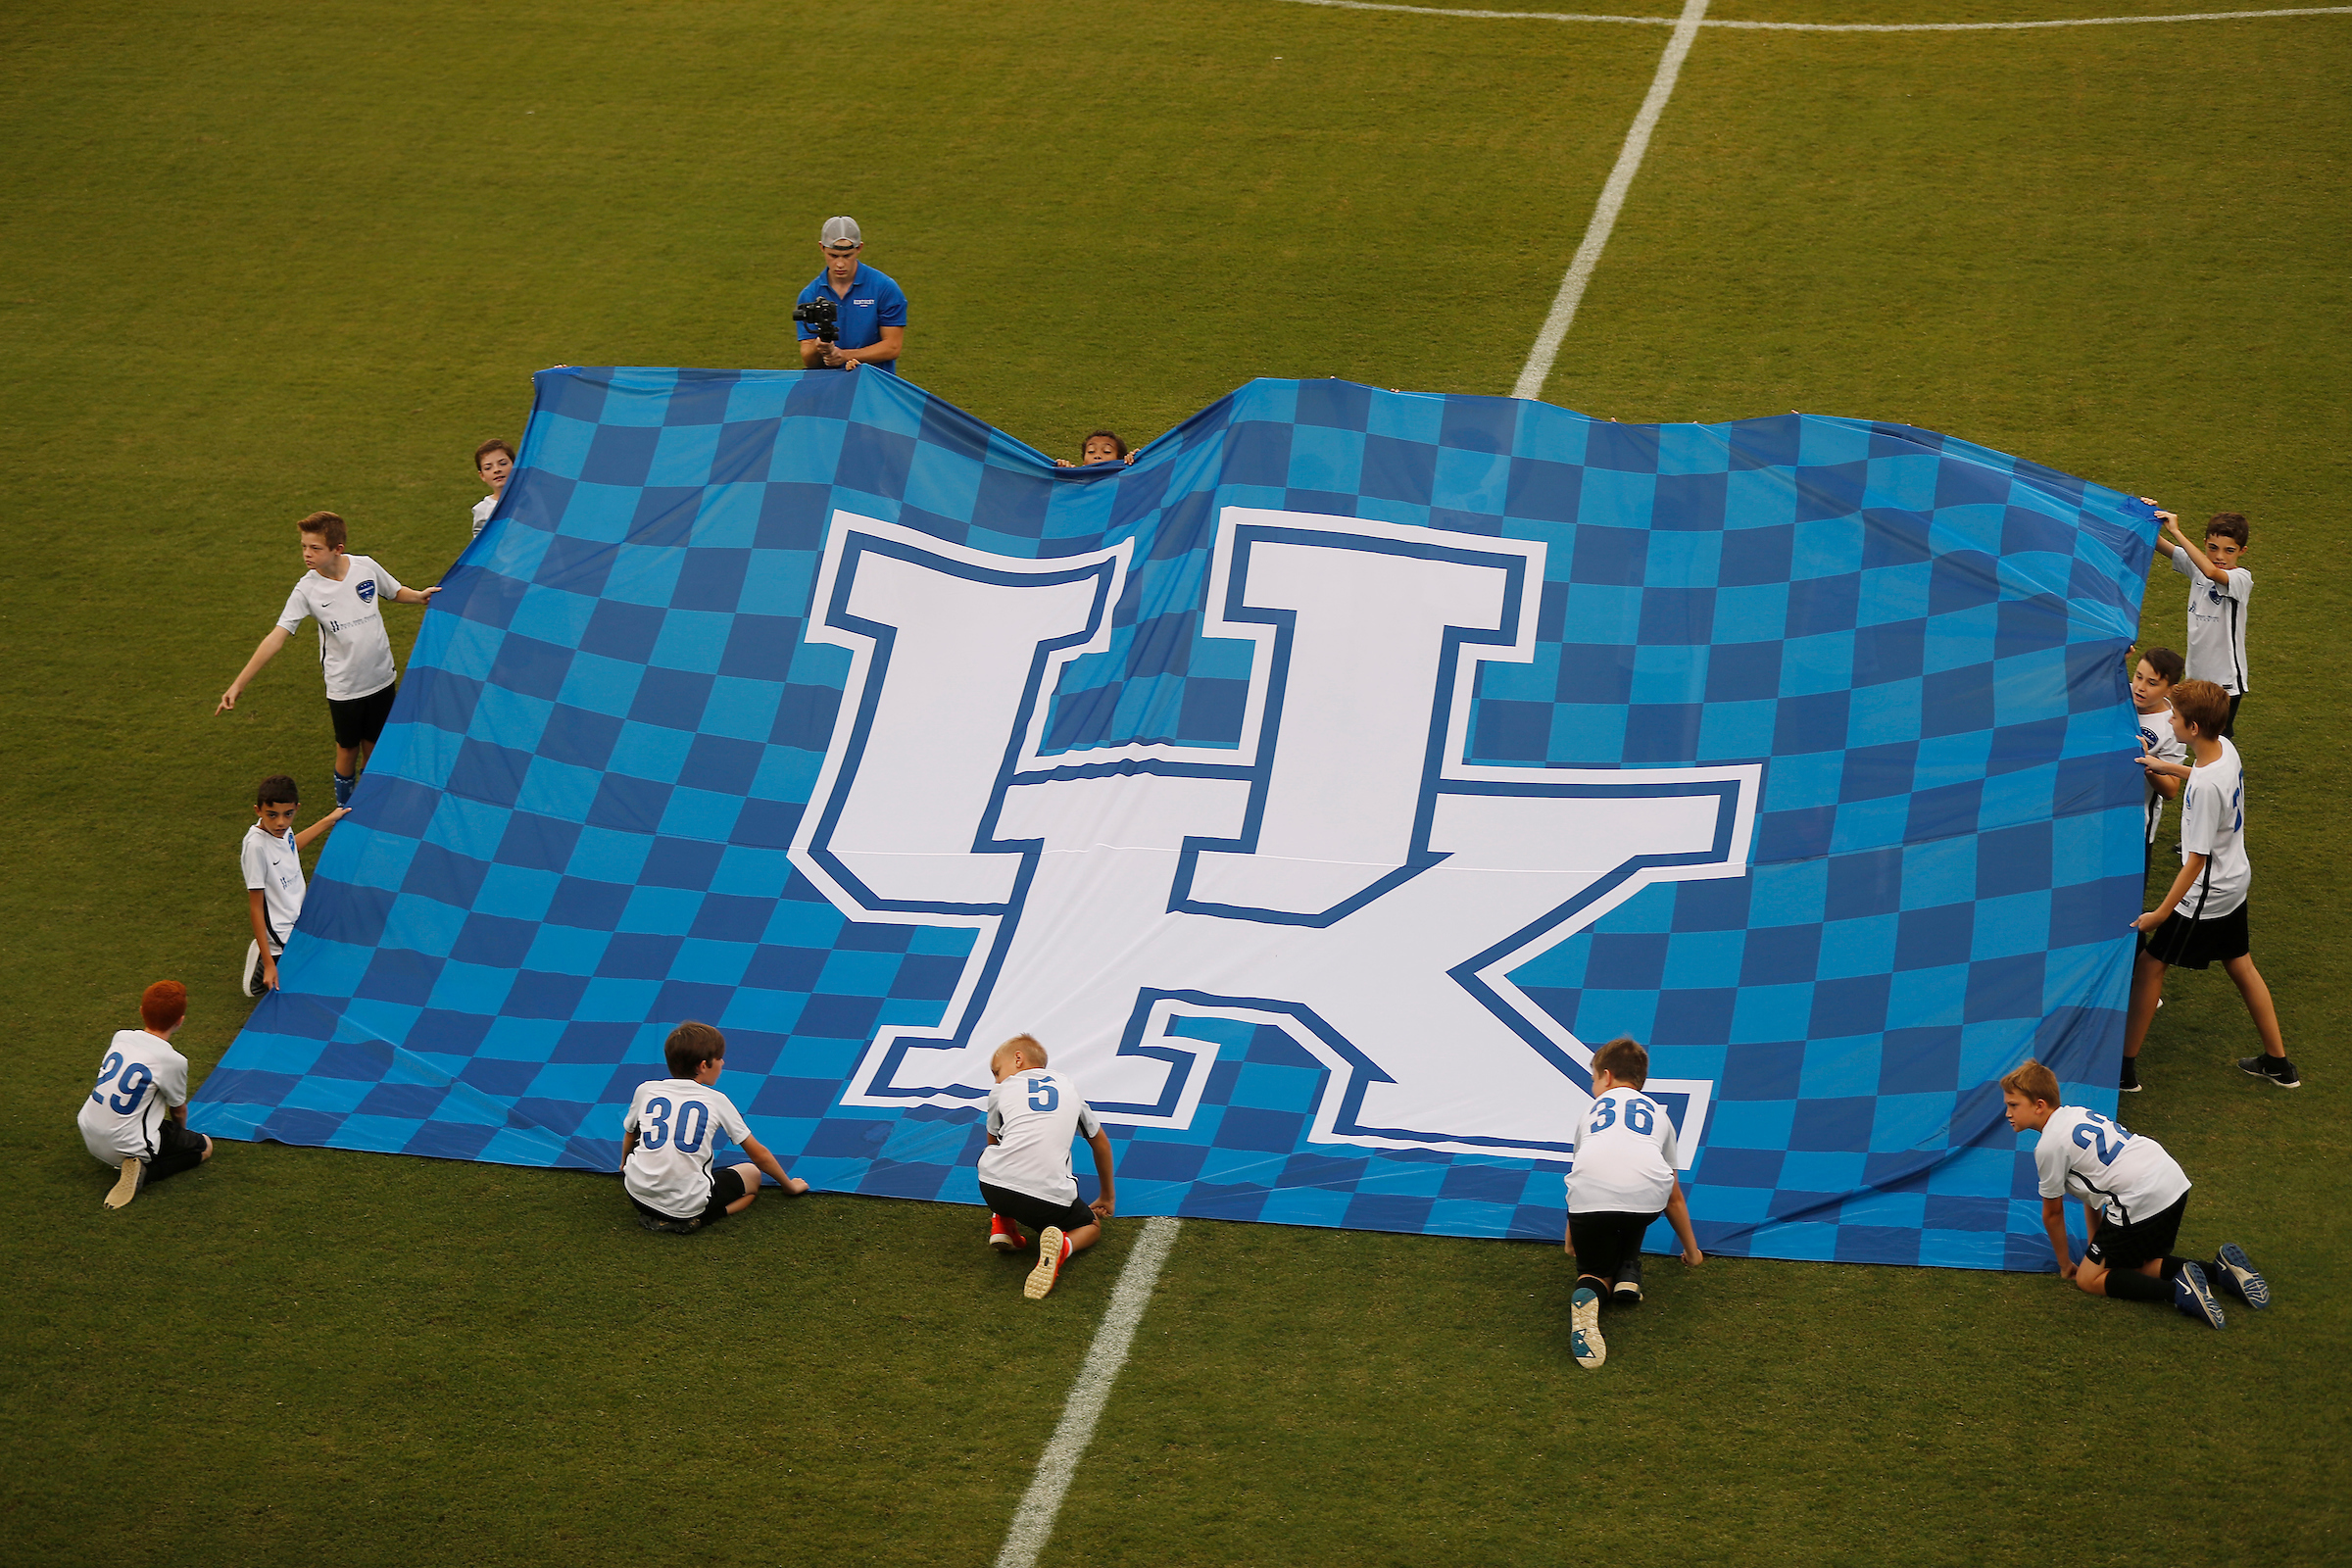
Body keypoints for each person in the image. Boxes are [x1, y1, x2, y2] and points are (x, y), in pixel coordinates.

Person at [2000, 1058, 2268, 1328]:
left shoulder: (2047, 1146)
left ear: (2039, 1105)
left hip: (2140, 1196)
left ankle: (2179, 1292)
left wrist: (2066, 1265)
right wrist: (2097, 1243)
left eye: (2013, 1105)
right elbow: (2091, 1192)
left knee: (2089, 1279)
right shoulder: (2076, 1113)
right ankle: (2220, 1271)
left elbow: (2053, 1213)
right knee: (2139, 1261)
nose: (2008, 1113)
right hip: (2171, 1179)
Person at [2124, 679, 2298, 1091]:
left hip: (2206, 895)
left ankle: (2124, 1070)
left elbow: (2195, 861)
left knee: (2150, 966)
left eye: (2177, 716)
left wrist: (2160, 914)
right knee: (2240, 964)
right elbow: (2205, 776)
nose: (2170, 718)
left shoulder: (2202, 788)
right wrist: (2172, 767)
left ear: (2195, 728)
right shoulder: (2225, 750)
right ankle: (2279, 1064)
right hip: (2235, 880)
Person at [216, 512, 438, 809]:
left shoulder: (365, 567)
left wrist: (419, 596)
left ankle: (374, 806)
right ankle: (343, 811)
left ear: (338, 548)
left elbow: (394, 591)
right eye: (304, 547)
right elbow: (277, 637)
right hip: (345, 687)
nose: (307, 554)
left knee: (375, 747)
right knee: (347, 751)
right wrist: (238, 684)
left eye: (315, 548)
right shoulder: (306, 589)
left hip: (382, 678)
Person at [1561, 1037, 1703, 1371]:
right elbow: (1673, 1196)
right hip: (1645, 1202)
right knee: (1636, 1200)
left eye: (1593, 1077)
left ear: (1607, 1076)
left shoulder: (1589, 1114)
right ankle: (1628, 1270)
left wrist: (1571, 1240)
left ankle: (1595, 1290)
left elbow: (1582, 1175)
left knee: (1593, 1268)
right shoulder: (1659, 1115)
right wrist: (1693, 1253)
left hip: (1590, 1202)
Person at [620, 1021, 808, 1235]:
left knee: (640, 1130)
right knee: (752, 1175)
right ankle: (702, 1219)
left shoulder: (646, 1090)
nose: (722, 1062)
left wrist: (623, 1164)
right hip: (685, 1206)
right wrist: (789, 1186)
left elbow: (630, 1134)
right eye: (718, 1058)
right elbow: (759, 1155)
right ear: (703, 1066)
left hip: (636, 1194)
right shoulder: (716, 1100)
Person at [977, 1034, 1116, 1300]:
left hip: (993, 1188)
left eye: (997, 1071)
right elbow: (1101, 1145)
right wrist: (1107, 1198)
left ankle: (1002, 1223)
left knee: (996, 1160)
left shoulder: (1000, 1091)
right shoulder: (1069, 1088)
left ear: (1018, 1058)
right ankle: (1064, 1246)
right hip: (1048, 1198)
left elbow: (992, 1142)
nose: (996, 1080)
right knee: (1092, 1226)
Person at [79, 981, 212, 1210]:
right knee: (205, 1147)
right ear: (180, 1020)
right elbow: (178, 1109)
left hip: (88, 1130)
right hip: (126, 1143)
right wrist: (183, 1135)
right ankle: (146, 1172)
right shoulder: (173, 1061)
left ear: (142, 1012)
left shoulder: (120, 1037)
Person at [241, 774, 347, 996]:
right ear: (258, 810)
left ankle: (271, 957)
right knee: (307, 987)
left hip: (300, 915)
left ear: (296, 809)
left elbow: (290, 847)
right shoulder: (255, 847)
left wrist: (329, 820)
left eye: (288, 814)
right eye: (272, 815)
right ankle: (261, 969)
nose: (281, 822)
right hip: (281, 932)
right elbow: (256, 907)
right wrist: (270, 964)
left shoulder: (281, 830)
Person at [2159, 509, 2252, 737]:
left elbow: (2211, 571)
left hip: (2225, 682)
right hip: (2196, 677)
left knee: (2218, 741)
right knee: (2196, 737)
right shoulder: (2198, 567)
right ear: (2205, 544)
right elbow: (2156, 543)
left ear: (2242, 551)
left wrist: (2176, 532)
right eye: (2212, 548)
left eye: (2229, 551)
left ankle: (2228, 774)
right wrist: (2147, 514)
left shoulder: (2240, 578)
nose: (2219, 556)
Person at [794, 216, 906, 374]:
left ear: (859, 248)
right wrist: (819, 346)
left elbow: (892, 347)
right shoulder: (810, 294)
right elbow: (808, 359)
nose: (840, 264)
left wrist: (845, 355)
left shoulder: (884, 288)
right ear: (822, 248)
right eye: (833, 256)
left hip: (871, 385)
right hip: (828, 389)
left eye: (847, 256)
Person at [2130, 646, 2188, 881]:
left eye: (2152, 683)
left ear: (2170, 690)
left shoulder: (2171, 726)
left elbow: (2172, 789)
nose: (2141, 687)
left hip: (2135, 825)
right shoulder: (2118, 695)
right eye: (2138, 676)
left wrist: (2149, 764)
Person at [470, 439, 514, 540]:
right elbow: (482, 547)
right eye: (488, 467)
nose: (497, 470)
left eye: (503, 464)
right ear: (482, 475)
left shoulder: (534, 499)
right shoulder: (482, 510)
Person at [1054, 430, 1137, 468]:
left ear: (1120, 459)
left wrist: (1139, 462)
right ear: (1084, 462)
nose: (1097, 456)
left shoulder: (1126, 481)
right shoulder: (1074, 481)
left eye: (1106, 451)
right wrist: (1063, 476)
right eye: (1091, 451)